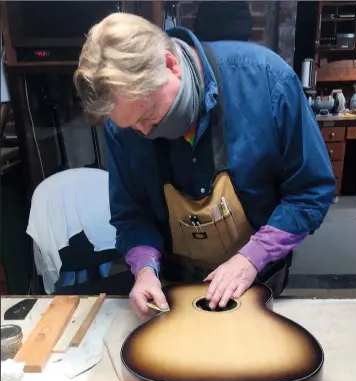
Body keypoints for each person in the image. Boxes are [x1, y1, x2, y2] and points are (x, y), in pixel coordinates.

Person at [74, 12, 335, 321]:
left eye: (148, 116)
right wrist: (144, 271)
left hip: (258, 277)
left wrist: (252, 258)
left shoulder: (267, 80)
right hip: (173, 287)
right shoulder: (123, 122)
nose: (144, 133)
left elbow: (310, 191)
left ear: (171, 65)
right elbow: (132, 214)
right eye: (131, 126)